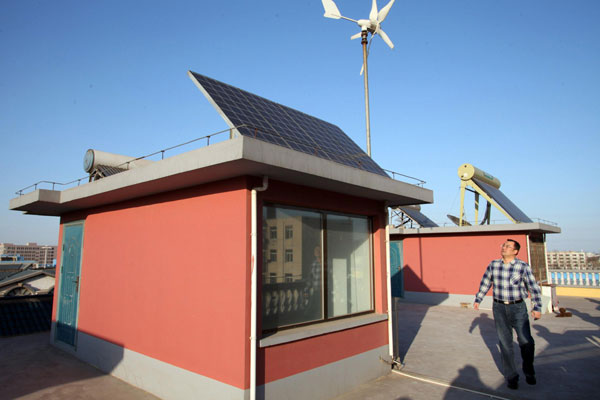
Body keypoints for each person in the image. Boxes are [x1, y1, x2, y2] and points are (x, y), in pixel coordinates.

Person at [473, 239, 542, 390]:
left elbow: (533, 287)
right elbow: (486, 282)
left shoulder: (522, 266)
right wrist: (478, 298)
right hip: (498, 308)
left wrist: (537, 306)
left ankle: (528, 370)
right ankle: (512, 376)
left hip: (518, 308)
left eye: (508, 246)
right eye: (503, 245)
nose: (504, 248)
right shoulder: (494, 265)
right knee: (505, 344)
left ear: (515, 251)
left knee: (526, 341)